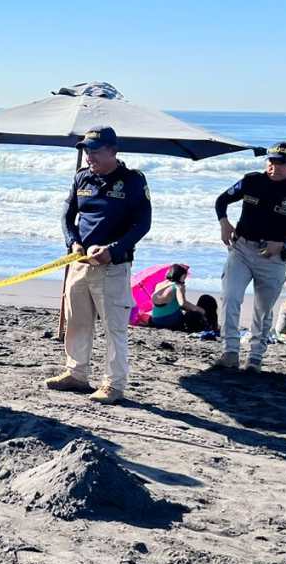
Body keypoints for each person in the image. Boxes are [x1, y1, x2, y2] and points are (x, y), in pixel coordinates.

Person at [45, 126, 152, 404]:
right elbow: (67, 217)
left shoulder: (132, 181)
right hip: (80, 263)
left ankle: (113, 385)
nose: (89, 156)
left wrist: (113, 250)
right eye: (86, 150)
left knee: (114, 327)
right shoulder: (82, 178)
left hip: (112, 266)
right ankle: (76, 373)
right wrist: (73, 242)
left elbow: (142, 224)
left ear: (112, 151)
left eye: (95, 150)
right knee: (77, 320)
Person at [213, 141, 286, 372]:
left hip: (273, 258)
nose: (274, 166)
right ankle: (230, 351)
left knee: (263, 308)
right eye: (271, 160)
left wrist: (285, 244)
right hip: (241, 249)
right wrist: (224, 223)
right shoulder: (251, 180)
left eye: (281, 162)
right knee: (231, 297)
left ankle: (255, 358)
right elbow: (221, 200)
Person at [149, 264, 216, 333]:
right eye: (185, 277)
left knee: (188, 310)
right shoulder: (177, 286)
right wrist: (200, 310)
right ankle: (210, 325)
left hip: (156, 320)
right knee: (195, 312)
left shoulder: (159, 285)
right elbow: (182, 303)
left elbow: (168, 303)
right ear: (182, 276)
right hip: (169, 321)